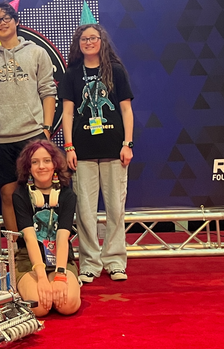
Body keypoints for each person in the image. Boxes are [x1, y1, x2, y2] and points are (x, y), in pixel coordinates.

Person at [58, 21, 135, 283]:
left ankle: (115, 261)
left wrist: (128, 144)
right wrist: (69, 146)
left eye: (93, 38)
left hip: (114, 149)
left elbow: (126, 109)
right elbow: (68, 113)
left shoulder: (115, 71)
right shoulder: (72, 74)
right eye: (84, 39)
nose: (88, 42)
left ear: (102, 42)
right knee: (85, 211)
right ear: (78, 44)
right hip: (82, 151)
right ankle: (90, 263)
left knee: (115, 209)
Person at [0, 1, 56, 233]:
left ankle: (42, 242)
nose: (2, 23)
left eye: (7, 18)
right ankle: (16, 247)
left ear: (17, 22)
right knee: (8, 194)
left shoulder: (36, 52)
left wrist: (46, 129)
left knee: (41, 192)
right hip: (0, 138)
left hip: (32, 134)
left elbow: (48, 91)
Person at [12, 139, 81, 316]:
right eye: (35, 162)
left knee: (68, 305)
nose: (41, 166)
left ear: (55, 165)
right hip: (29, 260)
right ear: (28, 168)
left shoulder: (67, 194)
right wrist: (42, 277)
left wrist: (60, 275)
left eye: (46, 161)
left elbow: (63, 238)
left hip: (60, 258)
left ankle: (57, 283)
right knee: (40, 307)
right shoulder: (20, 194)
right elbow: (29, 238)